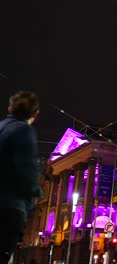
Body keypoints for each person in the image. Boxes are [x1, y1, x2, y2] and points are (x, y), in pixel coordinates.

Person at [0, 91, 42, 264]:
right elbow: (28, 172)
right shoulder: (24, 131)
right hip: (9, 208)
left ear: (9, 108)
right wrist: (36, 196)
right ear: (35, 114)